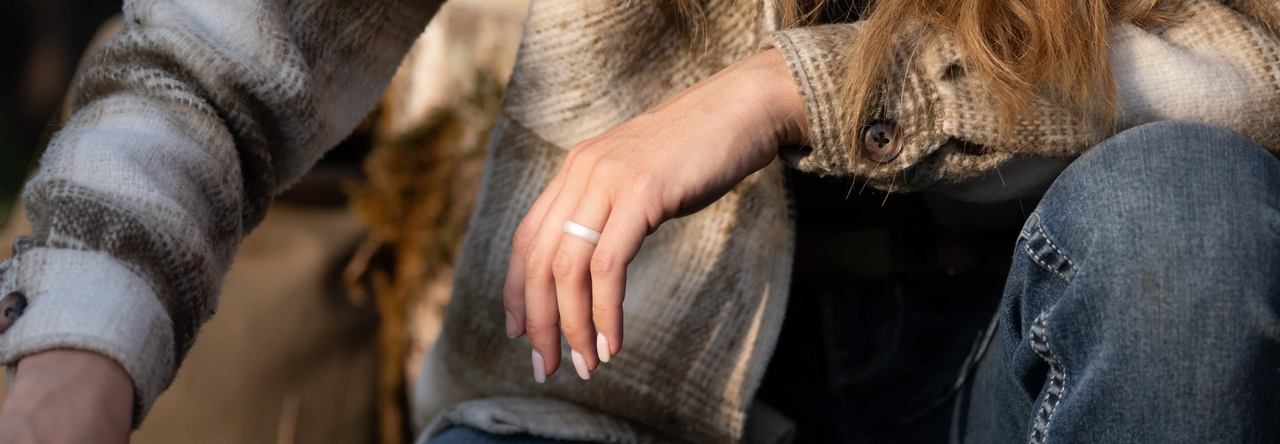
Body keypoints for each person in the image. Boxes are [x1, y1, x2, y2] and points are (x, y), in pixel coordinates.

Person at [1, 0, 1278, 443]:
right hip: (610, 396)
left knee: (1186, 219)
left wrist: (787, 91)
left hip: (1021, 359)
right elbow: (217, 64)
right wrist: (73, 357)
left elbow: (1253, 61)